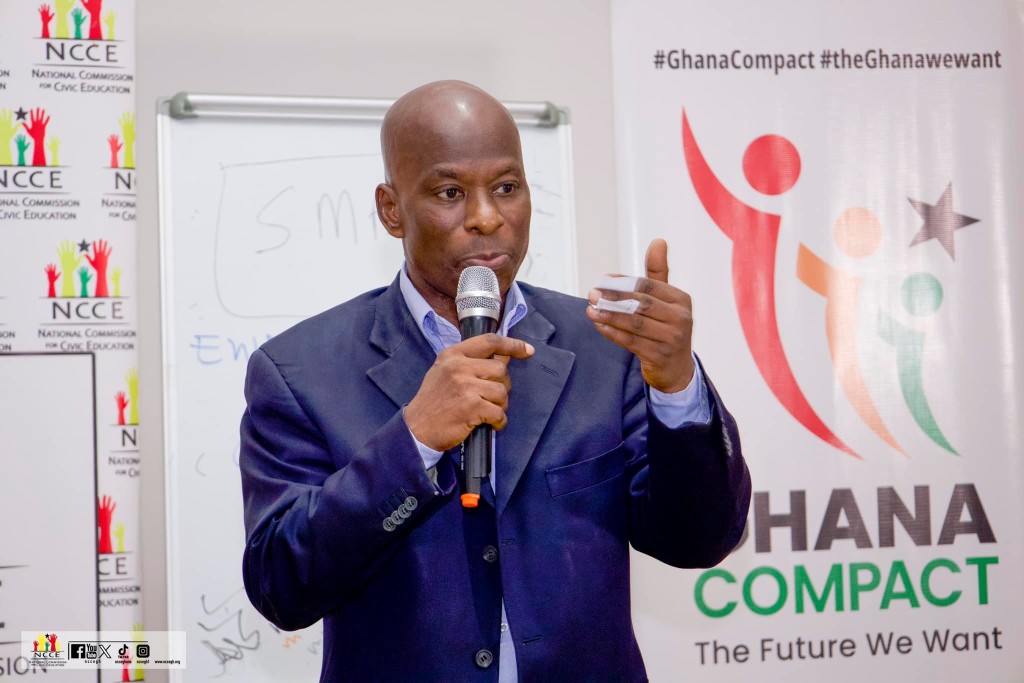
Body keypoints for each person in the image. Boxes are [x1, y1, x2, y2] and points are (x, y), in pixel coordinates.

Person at [240, 80, 750, 682]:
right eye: (450, 192)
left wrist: (675, 385)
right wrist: (414, 439)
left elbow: (700, 540)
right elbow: (282, 586)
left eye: (507, 187)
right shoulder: (299, 371)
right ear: (391, 209)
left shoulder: (604, 347)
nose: (486, 218)